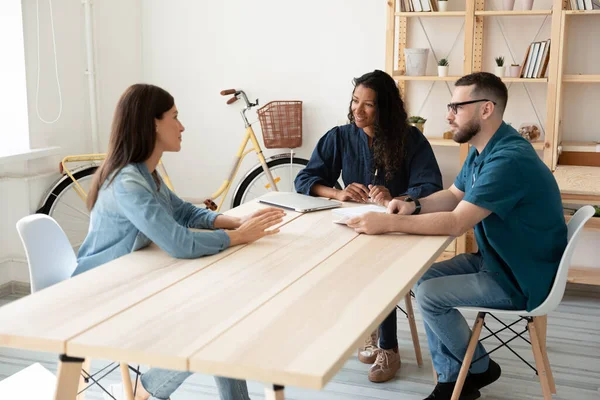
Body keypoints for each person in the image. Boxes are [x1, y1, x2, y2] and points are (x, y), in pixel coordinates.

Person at [346, 72, 568, 400]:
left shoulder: (508, 160)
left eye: (456, 106)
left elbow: (455, 223)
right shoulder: (484, 150)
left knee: (432, 294)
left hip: (522, 276)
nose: (448, 115)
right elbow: (452, 195)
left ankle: (470, 373)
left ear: (486, 109)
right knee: (421, 280)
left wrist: (387, 224)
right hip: (499, 260)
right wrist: (412, 204)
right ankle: (460, 375)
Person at [74, 83, 285, 400]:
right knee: (216, 328)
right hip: (101, 295)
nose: (182, 126)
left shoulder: (146, 173)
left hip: (135, 280)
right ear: (152, 123)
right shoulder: (128, 181)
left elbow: (182, 211)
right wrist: (238, 237)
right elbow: (178, 243)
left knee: (222, 317)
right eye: (174, 116)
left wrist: (234, 221)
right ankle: (144, 389)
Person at [294, 69, 443, 383]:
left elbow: (430, 185)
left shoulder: (409, 139)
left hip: (397, 230)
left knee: (382, 270)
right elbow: (305, 179)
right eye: (354, 101)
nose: (357, 110)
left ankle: (389, 347)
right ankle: (367, 328)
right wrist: (338, 191)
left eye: (368, 105)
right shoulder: (339, 136)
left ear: (385, 108)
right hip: (352, 227)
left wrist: (397, 196)